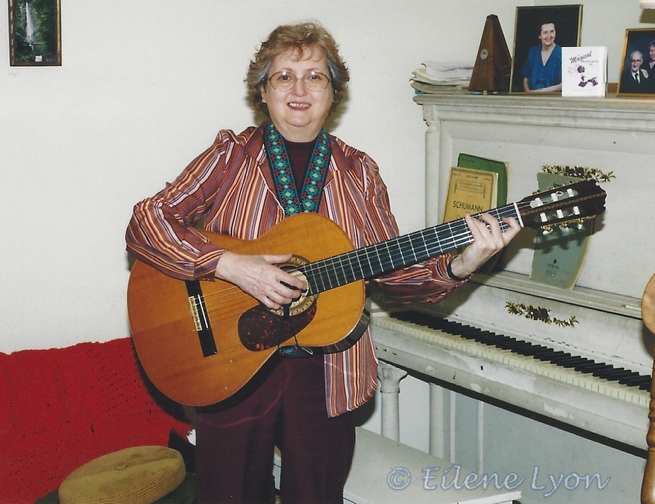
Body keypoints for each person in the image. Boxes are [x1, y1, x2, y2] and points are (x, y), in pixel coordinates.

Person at [125, 22, 521, 504]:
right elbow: (147, 220)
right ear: (263, 92)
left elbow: (395, 277)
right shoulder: (231, 156)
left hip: (328, 371)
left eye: (314, 77)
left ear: (333, 93)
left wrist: (462, 263)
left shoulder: (359, 172)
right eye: (283, 77)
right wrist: (229, 266)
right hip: (229, 363)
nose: (299, 90)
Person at [521, 20, 562, 93]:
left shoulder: (561, 53)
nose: (549, 36)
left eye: (552, 31)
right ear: (539, 35)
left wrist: (541, 92)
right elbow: (526, 80)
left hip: (553, 97)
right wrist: (528, 93)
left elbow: (564, 84)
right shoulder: (533, 52)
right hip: (532, 97)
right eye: (545, 32)